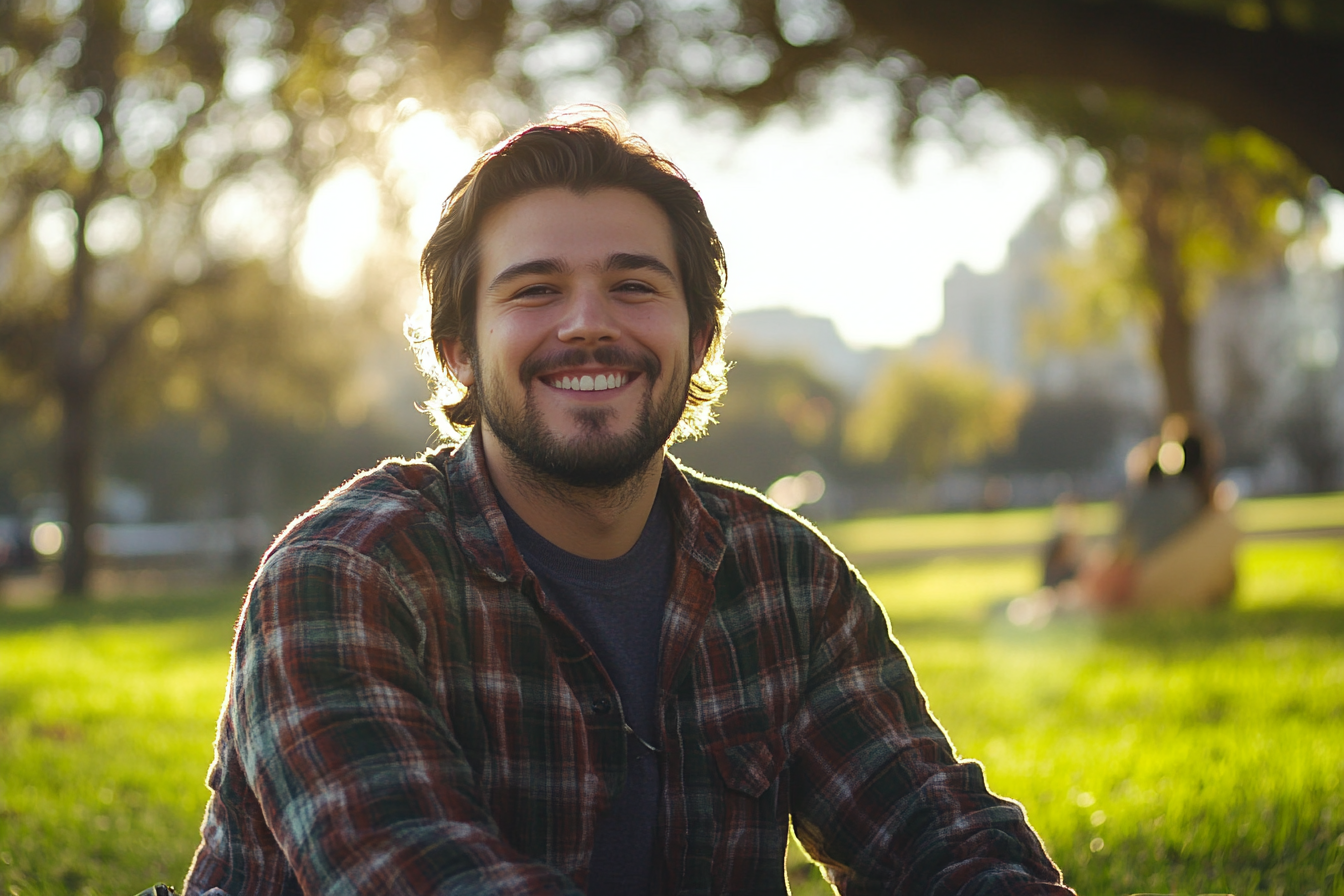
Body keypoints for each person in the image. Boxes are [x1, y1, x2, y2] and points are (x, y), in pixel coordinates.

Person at [183, 109, 1073, 896]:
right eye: (535, 289)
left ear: (698, 336)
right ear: (457, 350)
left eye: (634, 285)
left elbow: (935, 832)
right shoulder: (345, 575)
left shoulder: (786, 579)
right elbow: (420, 873)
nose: (587, 323)